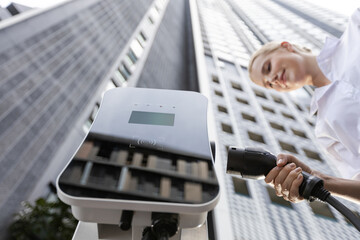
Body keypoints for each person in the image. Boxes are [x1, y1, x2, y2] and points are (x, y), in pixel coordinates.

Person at [248, 8, 360, 203]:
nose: (272, 79)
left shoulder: (355, 29)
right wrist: (316, 179)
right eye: (269, 84)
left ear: (286, 46)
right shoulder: (325, 130)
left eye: (268, 68)